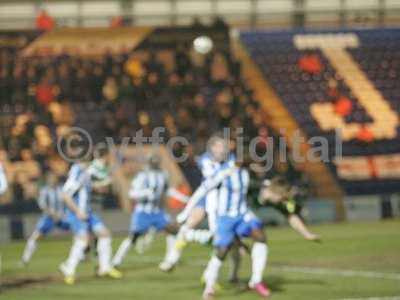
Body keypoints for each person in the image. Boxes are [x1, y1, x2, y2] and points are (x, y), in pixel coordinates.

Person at [178, 160, 271, 299]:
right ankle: (209, 288)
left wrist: (266, 189)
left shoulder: (246, 172)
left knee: (259, 237)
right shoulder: (223, 172)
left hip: (242, 215)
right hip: (222, 219)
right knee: (222, 250)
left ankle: (255, 280)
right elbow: (202, 189)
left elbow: (258, 188)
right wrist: (186, 212)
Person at [59, 145, 122, 285]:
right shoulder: (77, 171)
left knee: (104, 234)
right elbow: (65, 195)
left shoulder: (84, 171)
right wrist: (78, 212)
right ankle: (69, 270)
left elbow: (87, 188)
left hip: (87, 211)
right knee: (82, 241)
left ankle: (104, 268)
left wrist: (102, 186)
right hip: (77, 212)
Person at [112, 154, 182, 271]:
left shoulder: (163, 174)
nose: (155, 164)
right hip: (143, 212)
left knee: (172, 231)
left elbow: (167, 191)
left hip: (158, 211)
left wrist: (184, 198)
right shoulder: (142, 176)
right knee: (134, 236)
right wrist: (146, 192)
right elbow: (132, 194)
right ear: (149, 163)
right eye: (153, 162)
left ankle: (170, 260)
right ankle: (116, 261)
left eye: (157, 162)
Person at [22, 170, 69, 265]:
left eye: (54, 178)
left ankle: (84, 255)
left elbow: (68, 202)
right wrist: (53, 215)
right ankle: (25, 259)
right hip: (49, 218)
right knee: (35, 236)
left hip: (63, 217)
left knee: (81, 232)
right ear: (47, 180)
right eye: (50, 179)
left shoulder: (62, 189)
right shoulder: (45, 191)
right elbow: (43, 206)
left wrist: (64, 215)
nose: (52, 180)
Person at [257, 177, 320, 241]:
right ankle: (307, 234)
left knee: (290, 215)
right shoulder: (266, 192)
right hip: (254, 204)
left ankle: (307, 234)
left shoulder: (277, 190)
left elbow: (284, 197)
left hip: (271, 201)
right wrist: (289, 195)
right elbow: (276, 198)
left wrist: (291, 195)